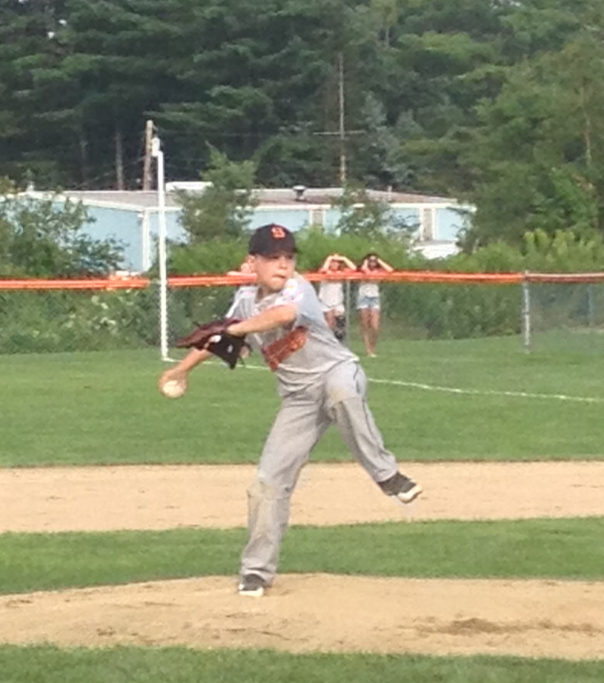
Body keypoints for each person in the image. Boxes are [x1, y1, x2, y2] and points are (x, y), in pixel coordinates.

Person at [158, 223, 422, 598]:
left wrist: (238, 331)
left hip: (337, 371)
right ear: (252, 262)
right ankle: (255, 573)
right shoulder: (245, 301)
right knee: (267, 482)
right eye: (272, 258)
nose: (282, 265)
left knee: (343, 393)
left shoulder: (300, 287)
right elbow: (218, 338)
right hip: (298, 399)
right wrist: (181, 370)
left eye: (288, 257)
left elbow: (282, 316)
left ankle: (387, 474)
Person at [356, 251, 394, 357]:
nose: (372, 262)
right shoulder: (362, 271)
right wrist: (365, 263)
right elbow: (365, 272)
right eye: (370, 260)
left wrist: (379, 261)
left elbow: (390, 270)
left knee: (375, 326)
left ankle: (372, 347)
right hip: (363, 297)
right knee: (365, 325)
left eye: (374, 261)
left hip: (374, 298)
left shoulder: (379, 271)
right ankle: (368, 350)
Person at [317, 252, 356, 343]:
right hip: (326, 301)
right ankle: (326, 341)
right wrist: (329, 259)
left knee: (340, 322)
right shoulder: (324, 270)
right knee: (329, 322)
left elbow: (353, 268)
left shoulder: (341, 272)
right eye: (332, 262)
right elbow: (323, 270)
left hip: (337, 301)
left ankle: (337, 342)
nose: (334, 264)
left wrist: (343, 258)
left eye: (336, 262)